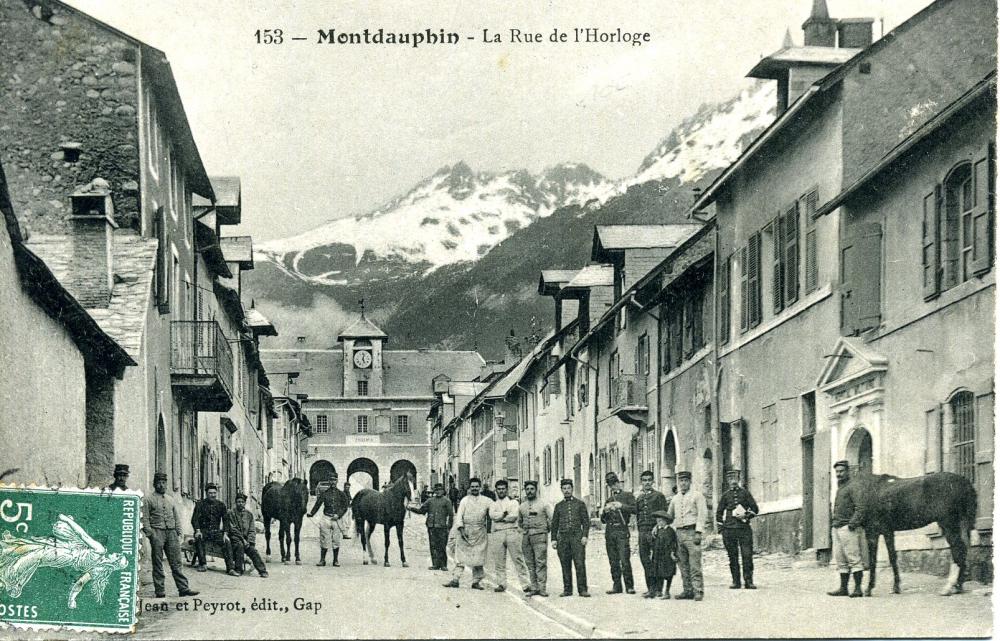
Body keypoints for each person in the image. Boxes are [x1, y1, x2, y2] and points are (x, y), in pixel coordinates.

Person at [141, 472, 198, 598]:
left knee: (176, 561)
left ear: (166, 484)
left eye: (163, 483)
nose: (161, 485)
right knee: (158, 562)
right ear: (154, 484)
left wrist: (179, 531)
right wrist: (150, 533)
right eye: (159, 483)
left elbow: (176, 517)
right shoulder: (148, 499)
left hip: (171, 532)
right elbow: (144, 518)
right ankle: (160, 591)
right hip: (157, 532)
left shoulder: (170, 499)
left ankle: (183, 588)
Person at [827, 460, 868, 598]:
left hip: (848, 528)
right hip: (837, 527)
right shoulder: (841, 487)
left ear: (848, 471)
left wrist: (852, 524)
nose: (839, 474)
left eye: (841, 471)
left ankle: (857, 589)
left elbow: (861, 508)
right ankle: (843, 588)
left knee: (854, 559)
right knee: (840, 559)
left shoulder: (853, 486)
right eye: (837, 472)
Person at [443, 477, 492, 589]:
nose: (474, 489)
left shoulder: (486, 501)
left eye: (476, 487)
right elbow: (459, 515)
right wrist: (461, 529)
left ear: (479, 487)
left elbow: (494, 510)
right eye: (472, 487)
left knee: (478, 557)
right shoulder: (465, 500)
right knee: (460, 556)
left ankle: (476, 582)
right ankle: (455, 579)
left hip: (479, 531)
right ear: (470, 488)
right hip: (465, 530)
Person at [715, 469, 760, 589]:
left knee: (747, 555)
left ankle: (749, 581)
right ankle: (736, 581)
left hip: (744, 529)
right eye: (730, 479)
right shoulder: (725, 496)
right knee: (732, 556)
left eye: (735, 478)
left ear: (739, 479)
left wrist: (746, 515)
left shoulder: (745, 493)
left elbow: (755, 509)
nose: (733, 481)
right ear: (728, 481)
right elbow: (719, 513)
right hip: (729, 530)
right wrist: (722, 528)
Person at [667, 470, 707, 601]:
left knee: (694, 564)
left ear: (690, 481)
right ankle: (687, 590)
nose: (683, 483)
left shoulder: (697, 496)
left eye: (685, 481)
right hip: (679, 533)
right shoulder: (675, 498)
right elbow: (669, 517)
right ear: (678, 483)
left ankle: (698, 591)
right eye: (681, 481)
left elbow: (702, 514)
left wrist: (699, 532)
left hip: (692, 532)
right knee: (682, 564)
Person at [487, 479, 529, 593]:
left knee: (518, 558)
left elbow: (514, 516)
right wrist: (504, 514)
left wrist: (500, 517)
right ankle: (501, 583)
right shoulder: (493, 504)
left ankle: (525, 584)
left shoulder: (513, 502)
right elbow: (492, 516)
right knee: (499, 561)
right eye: (499, 489)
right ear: (496, 490)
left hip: (511, 532)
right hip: (498, 533)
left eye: (503, 489)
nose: (501, 491)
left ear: (507, 490)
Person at [550, 478, 590, 597]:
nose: (567, 490)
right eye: (564, 488)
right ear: (561, 490)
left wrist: (584, 536)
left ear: (572, 489)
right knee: (565, 564)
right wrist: (553, 539)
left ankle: (582, 589)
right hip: (563, 539)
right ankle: (567, 589)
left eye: (569, 488)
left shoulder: (580, 504)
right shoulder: (558, 506)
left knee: (580, 563)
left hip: (577, 538)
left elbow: (586, 522)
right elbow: (554, 524)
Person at [600, 472, 636, 595]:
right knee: (613, 560)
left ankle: (629, 586)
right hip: (610, 532)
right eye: (610, 485)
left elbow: (635, 510)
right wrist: (605, 511)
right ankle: (617, 585)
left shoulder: (628, 496)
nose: (613, 486)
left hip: (622, 530)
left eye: (615, 483)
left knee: (624, 559)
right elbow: (603, 520)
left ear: (619, 483)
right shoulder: (609, 500)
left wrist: (621, 506)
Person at [635, 469, 669, 597]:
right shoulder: (639, 498)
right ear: (641, 482)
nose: (647, 483)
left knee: (657, 559)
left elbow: (664, 513)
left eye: (649, 480)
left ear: (653, 481)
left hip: (654, 531)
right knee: (645, 559)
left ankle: (658, 589)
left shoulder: (658, 496)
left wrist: (657, 526)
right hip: (642, 531)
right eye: (644, 480)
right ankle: (650, 588)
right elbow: (637, 514)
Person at [407, 482, 454, 570]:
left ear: (443, 491)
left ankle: (443, 565)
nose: (438, 491)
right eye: (437, 490)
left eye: (440, 490)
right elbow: (421, 510)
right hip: (431, 527)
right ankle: (435, 564)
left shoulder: (447, 501)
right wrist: (410, 508)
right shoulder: (430, 501)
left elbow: (451, 515)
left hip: (442, 527)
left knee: (442, 546)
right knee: (433, 546)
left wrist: (449, 527)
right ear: (434, 491)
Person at [517, 480, 552, 597]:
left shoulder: (544, 504)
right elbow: (520, 522)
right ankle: (534, 587)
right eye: (527, 489)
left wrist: (545, 530)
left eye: (532, 489)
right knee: (530, 563)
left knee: (540, 562)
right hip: (526, 538)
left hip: (540, 537)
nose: (529, 491)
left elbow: (552, 519)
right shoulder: (522, 506)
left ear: (536, 490)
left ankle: (542, 588)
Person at [308, 473, 350, 567]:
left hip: (337, 520)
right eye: (331, 480)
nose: (333, 482)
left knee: (336, 540)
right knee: (324, 539)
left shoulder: (341, 494)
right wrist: (311, 513)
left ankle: (335, 560)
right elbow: (318, 504)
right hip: (326, 518)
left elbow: (345, 506)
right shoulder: (324, 493)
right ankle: (322, 560)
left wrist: (338, 515)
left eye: (334, 480)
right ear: (329, 481)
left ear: (337, 481)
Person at [191, 482, 234, 575]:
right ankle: (203, 564)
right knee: (198, 538)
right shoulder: (200, 504)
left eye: (214, 493)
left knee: (227, 542)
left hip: (216, 532)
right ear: (206, 493)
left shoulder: (221, 505)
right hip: (204, 531)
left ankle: (230, 568)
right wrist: (197, 530)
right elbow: (194, 519)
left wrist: (225, 533)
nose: (212, 495)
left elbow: (226, 520)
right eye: (210, 493)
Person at [226, 492, 268, 578]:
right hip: (235, 538)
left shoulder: (249, 515)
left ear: (245, 503)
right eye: (238, 502)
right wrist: (243, 540)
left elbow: (252, 530)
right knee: (239, 546)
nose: (240, 504)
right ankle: (238, 569)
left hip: (247, 540)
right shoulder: (231, 513)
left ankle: (262, 571)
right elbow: (233, 529)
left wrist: (250, 541)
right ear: (235, 503)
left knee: (253, 551)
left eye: (242, 502)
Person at [650, 510, 678, 599]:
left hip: (667, 555)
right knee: (658, 572)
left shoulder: (670, 531)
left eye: (661, 521)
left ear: (666, 521)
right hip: (658, 555)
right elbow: (654, 542)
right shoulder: (657, 530)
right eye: (657, 521)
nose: (659, 523)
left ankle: (667, 591)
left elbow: (674, 543)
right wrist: (652, 552)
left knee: (668, 573)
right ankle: (659, 590)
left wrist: (673, 553)